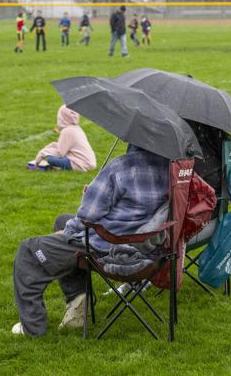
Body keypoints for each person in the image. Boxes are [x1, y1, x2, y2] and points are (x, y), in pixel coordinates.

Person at [11, 144, 170, 337]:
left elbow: (87, 217)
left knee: (28, 250)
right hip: (149, 248)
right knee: (62, 219)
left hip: (109, 249)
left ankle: (32, 328)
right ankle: (79, 298)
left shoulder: (121, 167)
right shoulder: (172, 170)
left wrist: (86, 201)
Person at [27, 105, 96, 172]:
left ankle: (59, 168)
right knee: (53, 156)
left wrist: (43, 153)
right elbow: (64, 146)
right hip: (90, 163)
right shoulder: (76, 128)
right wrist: (50, 146)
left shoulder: (67, 131)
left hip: (82, 165)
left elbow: (60, 153)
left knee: (50, 159)